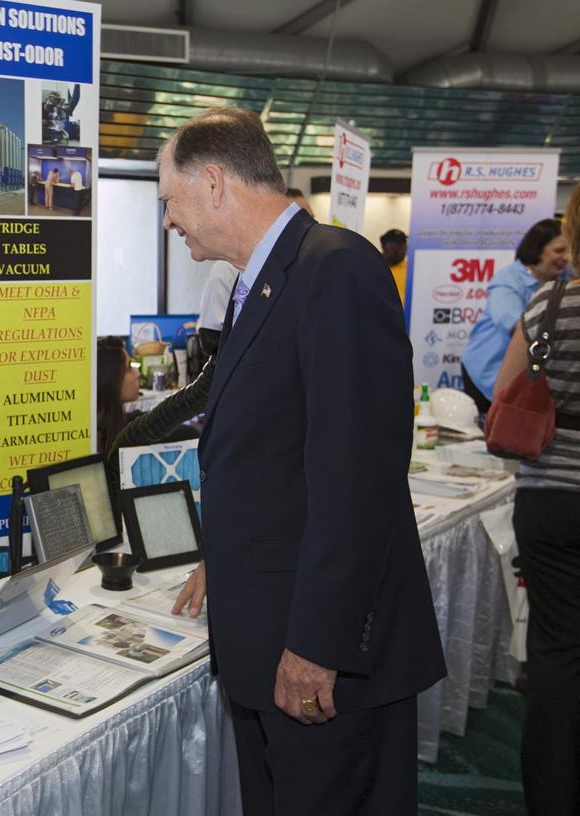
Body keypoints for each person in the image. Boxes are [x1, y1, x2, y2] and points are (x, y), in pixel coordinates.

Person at [162, 107, 445, 813]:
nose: (169, 221)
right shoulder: (262, 282)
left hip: (322, 660)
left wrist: (318, 646)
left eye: (170, 200)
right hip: (272, 643)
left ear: (216, 183)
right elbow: (279, 453)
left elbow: (357, 479)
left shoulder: (335, 269)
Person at [493, 189, 580, 816]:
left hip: (547, 496)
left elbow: (504, 390)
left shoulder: (548, 300)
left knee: (554, 651)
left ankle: (550, 797)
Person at [462, 218, 569, 414]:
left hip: (531, 377)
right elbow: (514, 326)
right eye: (559, 250)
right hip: (488, 372)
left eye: (569, 250)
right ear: (537, 249)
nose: (566, 257)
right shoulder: (508, 281)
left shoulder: (565, 280)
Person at [380, 228, 408, 305]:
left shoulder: (412, 271)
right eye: (395, 244)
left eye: (403, 244)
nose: (400, 249)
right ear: (383, 246)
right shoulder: (372, 267)